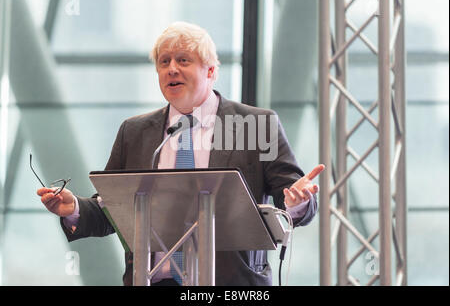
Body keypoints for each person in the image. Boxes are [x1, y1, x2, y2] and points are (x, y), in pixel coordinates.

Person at [37, 21, 325, 286]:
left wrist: (297, 201)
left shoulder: (256, 125)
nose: (171, 69)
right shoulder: (134, 132)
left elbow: (294, 198)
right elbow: (111, 210)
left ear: (211, 71)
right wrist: (73, 208)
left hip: (231, 285)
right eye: (164, 62)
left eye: (183, 60)